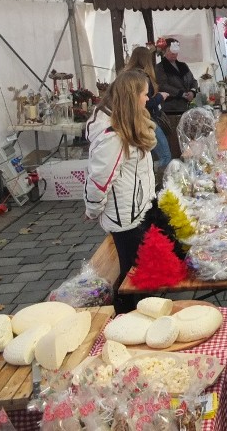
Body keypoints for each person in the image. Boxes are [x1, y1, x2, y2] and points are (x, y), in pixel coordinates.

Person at [84, 69, 156, 312]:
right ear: (132, 96)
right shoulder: (112, 137)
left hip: (136, 211)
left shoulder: (129, 123)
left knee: (140, 273)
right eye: (145, 94)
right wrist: (93, 210)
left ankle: (139, 313)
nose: (148, 99)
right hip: (125, 219)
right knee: (132, 278)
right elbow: (99, 180)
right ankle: (127, 320)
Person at [124, 46, 171, 171]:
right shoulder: (143, 77)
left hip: (133, 121)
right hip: (147, 120)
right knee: (165, 157)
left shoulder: (126, 76)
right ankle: (151, 175)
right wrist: (161, 96)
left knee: (145, 155)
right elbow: (147, 103)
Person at [155, 38, 198, 113]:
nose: (173, 53)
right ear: (164, 51)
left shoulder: (183, 65)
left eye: (175, 51)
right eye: (170, 50)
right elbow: (162, 85)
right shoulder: (160, 67)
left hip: (186, 106)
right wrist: (181, 94)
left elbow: (193, 81)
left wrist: (192, 91)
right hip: (170, 108)